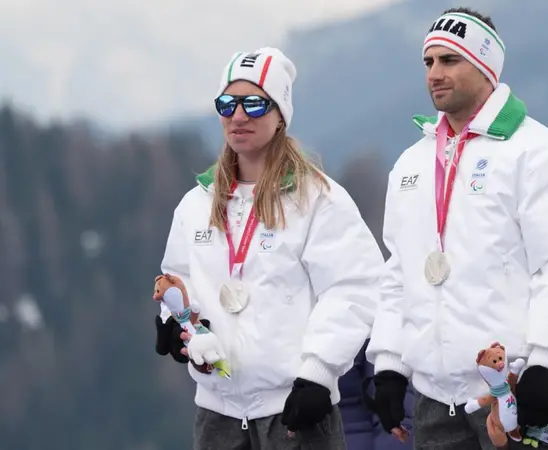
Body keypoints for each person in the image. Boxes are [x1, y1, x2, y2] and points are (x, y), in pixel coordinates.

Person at [364, 7, 548, 450]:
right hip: (434, 401)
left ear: (485, 66)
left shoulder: (539, 154)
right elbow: (399, 273)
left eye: (450, 60)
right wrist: (389, 363)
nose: (434, 74)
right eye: (428, 62)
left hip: (514, 392)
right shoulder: (411, 164)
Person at [153, 46, 385, 450]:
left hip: (296, 409)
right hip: (217, 414)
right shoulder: (196, 204)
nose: (238, 116)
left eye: (255, 104)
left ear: (280, 115)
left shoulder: (318, 198)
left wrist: (318, 373)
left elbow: (355, 287)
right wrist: (174, 323)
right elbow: (177, 280)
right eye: (227, 104)